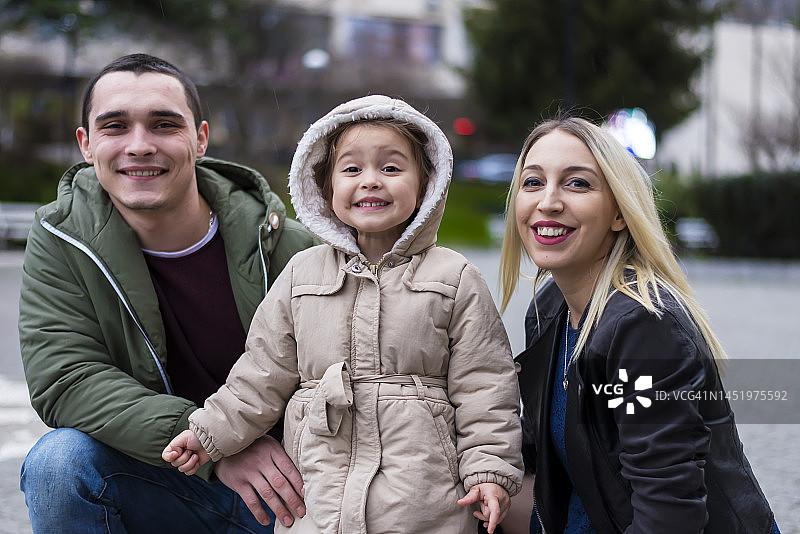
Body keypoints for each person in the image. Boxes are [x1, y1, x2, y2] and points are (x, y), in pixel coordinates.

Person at [161, 95, 525, 533]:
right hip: (319, 492)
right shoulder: (301, 275)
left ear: (426, 183)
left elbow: (485, 387)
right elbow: (261, 374)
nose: (370, 181)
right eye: (352, 169)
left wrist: (489, 471)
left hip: (421, 495)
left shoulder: (454, 277)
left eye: (391, 168)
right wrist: (208, 434)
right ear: (325, 186)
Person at [18, 53, 316, 533]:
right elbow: (66, 379)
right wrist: (214, 446)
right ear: (87, 144)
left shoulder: (289, 245)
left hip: (289, 496)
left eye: (163, 125)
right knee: (60, 465)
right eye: (115, 126)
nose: (139, 145)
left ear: (199, 139)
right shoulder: (62, 239)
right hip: (168, 479)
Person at [499, 116, 779, 533]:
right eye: (533, 182)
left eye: (577, 183)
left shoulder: (644, 327)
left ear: (619, 214)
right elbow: (534, 452)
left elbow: (668, 513)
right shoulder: (550, 309)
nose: (549, 201)